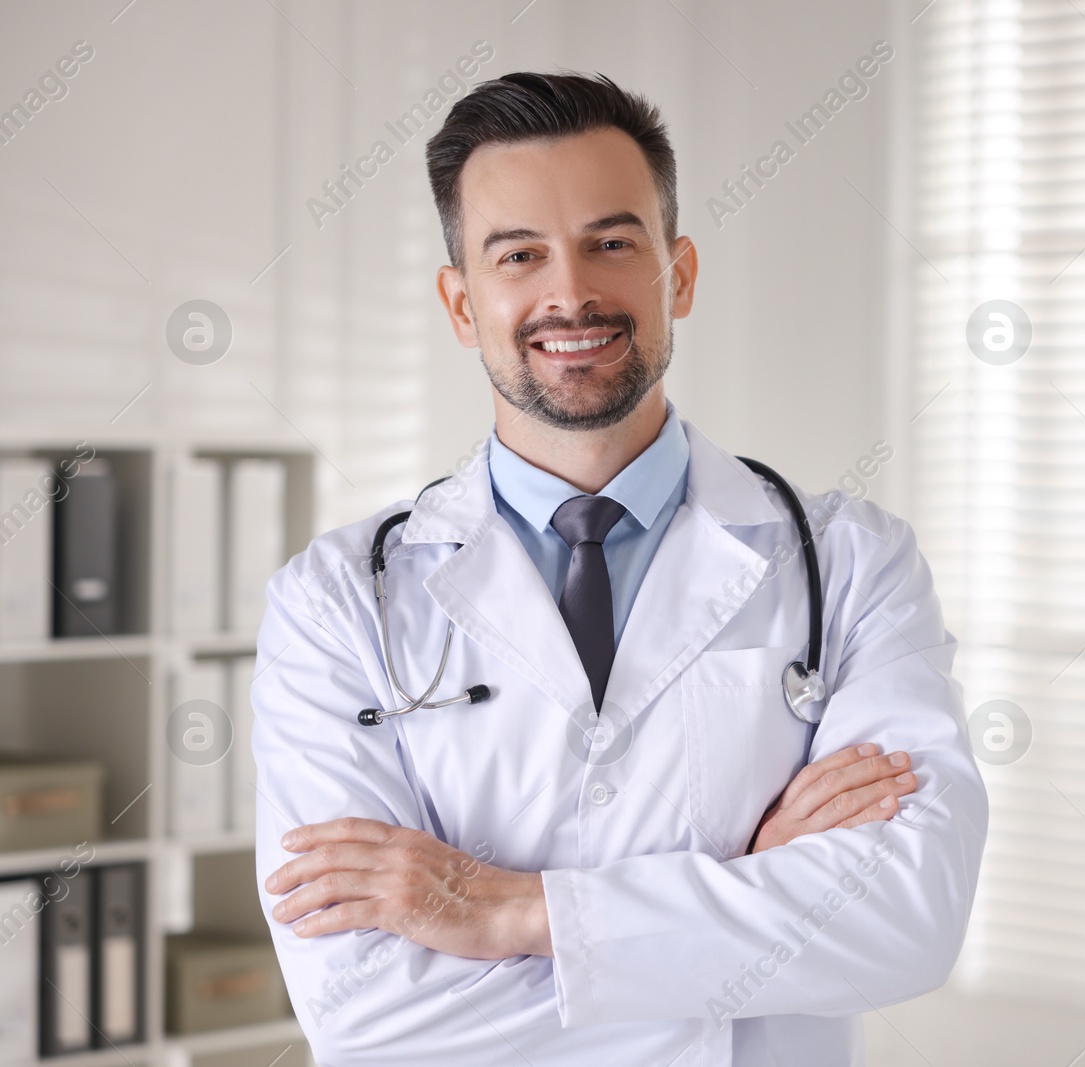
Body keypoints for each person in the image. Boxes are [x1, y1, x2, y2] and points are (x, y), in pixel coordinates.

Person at [252, 71, 987, 1066]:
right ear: (461, 301)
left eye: (611, 242)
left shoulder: (853, 563)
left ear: (676, 274)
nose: (570, 293)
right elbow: (364, 1011)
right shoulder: (336, 601)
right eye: (519, 255)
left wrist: (499, 907)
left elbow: (905, 917)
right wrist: (738, 889)